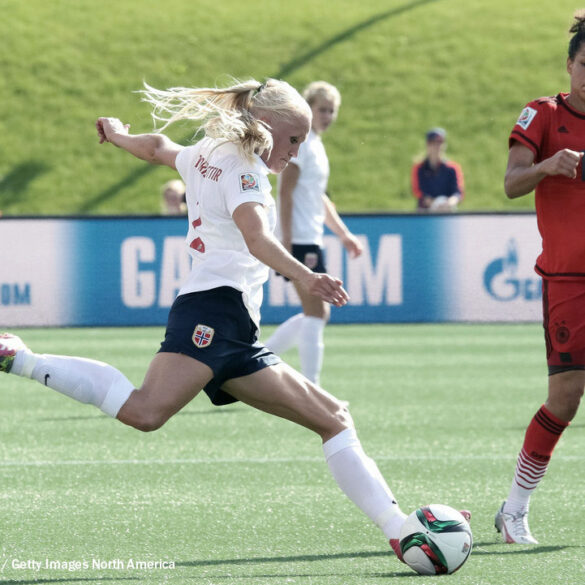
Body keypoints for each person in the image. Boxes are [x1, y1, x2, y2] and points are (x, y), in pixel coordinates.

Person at [0, 78, 410, 560]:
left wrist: (117, 135)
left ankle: (402, 529)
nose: (295, 152)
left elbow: (158, 148)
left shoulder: (210, 151)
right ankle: (18, 357)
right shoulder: (247, 171)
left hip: (229, 321)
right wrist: (308, 277)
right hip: (217, 313)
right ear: (267, 126)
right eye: (294, 139)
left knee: (334, 418)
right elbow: (257, 238)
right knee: (145, 410)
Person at [494, 12, 585, 545]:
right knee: (565, 399)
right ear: (569, 64)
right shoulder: (542, 114)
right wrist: (548, 168)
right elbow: (510, 183)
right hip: (568, 281)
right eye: (584, 65)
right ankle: (514, 510)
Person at [264, 81, 363, 384]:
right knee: (316, 312)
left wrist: (342, 233)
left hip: (309, 236)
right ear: (307, 108)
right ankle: (313, 388)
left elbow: (318, 196)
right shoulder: (303, 143)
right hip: (300, 237)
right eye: (322, 109)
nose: (328, 115)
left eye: (332, 110)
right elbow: (286, 190)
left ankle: (258, 361)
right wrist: (287, 239)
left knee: (317, 313)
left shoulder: (315, 144)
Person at [411, 127, 464, 212]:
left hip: (447, 211)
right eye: (433, 143)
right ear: (427, 145)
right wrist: (434, 204)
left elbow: (457, 193)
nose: (436, 147)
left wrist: (449, 203)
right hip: (425, 211)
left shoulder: (453, 168)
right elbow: (418, 191)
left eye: (439, 143)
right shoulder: (419, 168)